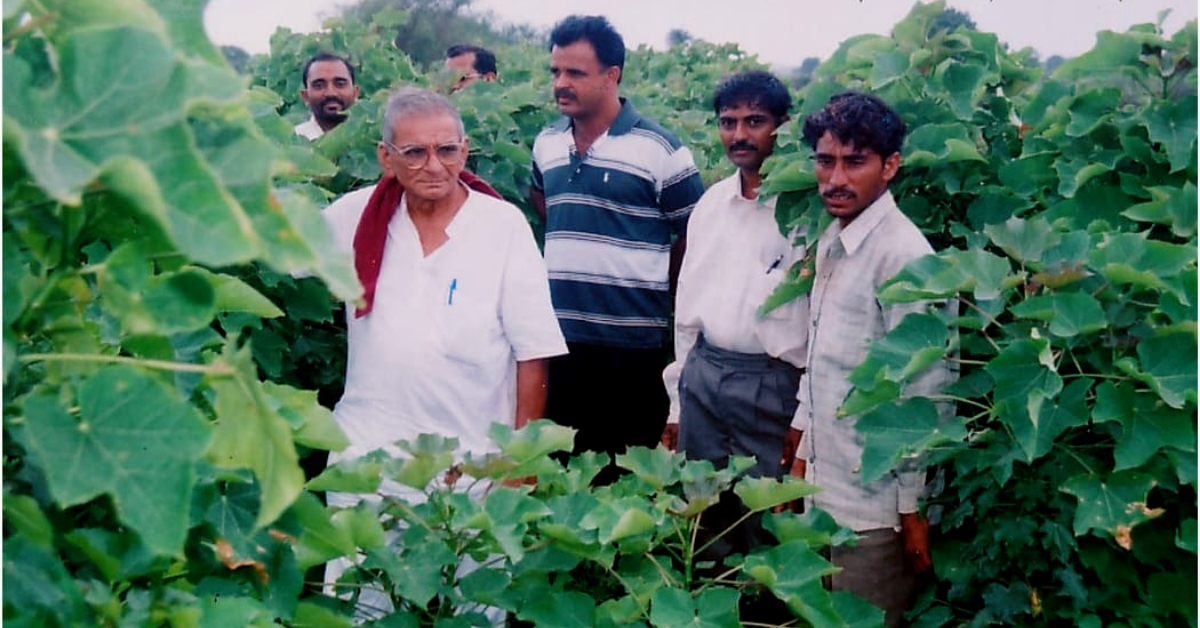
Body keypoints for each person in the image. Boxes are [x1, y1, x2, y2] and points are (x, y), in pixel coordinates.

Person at [322, 86, 568, 618]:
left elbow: (534, 353)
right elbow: (281, 246)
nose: (434, 165)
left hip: (473, 467)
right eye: (414, 152)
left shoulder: (502, 227)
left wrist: (519, 462)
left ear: (465, 148)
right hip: (369, 456)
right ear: (385, 157)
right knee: (360, 607)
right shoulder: (353, 217)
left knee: (475, 610)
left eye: (448, 150)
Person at [791, 91, 955, 628]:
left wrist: (912, 510)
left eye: (854, 162)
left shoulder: (904, 257)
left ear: (890, 166)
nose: (835, 178)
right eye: (825, 160)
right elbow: (823, 366)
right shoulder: (835, 241)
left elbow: (926, 396)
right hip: (824, 493)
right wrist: (800, 459)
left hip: (873, 514)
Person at [529, 15, 704, 483]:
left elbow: (696, 229)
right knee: (561, 475)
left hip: (631, 347)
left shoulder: (661, 149)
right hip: (558, 340)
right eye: (555, 72)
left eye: (575, 74)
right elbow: (541, 197)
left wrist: (654, 280)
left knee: (622, 481)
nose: (561, 84)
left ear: (612, 75)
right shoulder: (546, 143)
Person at [661, 70, 808, 556]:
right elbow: (687, 312)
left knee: (768, 520)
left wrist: (804, 415)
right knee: (705, 517)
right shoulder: (710, 205)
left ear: (782, 126)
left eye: (755, 121)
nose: (740, 135)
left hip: (773, 384)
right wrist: (678, 402)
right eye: (728, 122)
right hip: (704, 376)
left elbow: (819, 324)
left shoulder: (805, 211)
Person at [295, 51, 360, 140]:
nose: (331, 93)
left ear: (355, 93)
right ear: (305, 96)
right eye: (319, 86)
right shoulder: (292, 141)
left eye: (340, 84)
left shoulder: (374, 138)